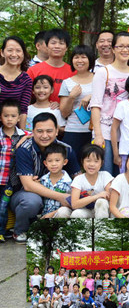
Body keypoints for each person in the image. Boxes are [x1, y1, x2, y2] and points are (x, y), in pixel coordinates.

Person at [11, 113, 79, 242]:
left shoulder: (66, 150)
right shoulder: (25, 149)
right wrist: (62, 197)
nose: (44, 135)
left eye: (49, 131)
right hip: (26, 195)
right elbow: (28, 185)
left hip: (57, 193)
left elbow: (78, 178)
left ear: (57, 131)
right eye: (40, 131)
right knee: (31, 201)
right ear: (32, 131)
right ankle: (21, 231)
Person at [89, 31, 129, 175]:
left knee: (124, 176)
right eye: (120, 46)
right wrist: (98, 135)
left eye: (128, 46)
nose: (125, 50)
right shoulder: (103, 72)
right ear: (113, 49)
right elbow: (95, 105)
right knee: (105, 173)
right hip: (105, 131)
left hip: (127, 134)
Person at [59, 45, 95, 153]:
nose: (79, 61)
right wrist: (71, 97)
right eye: (76, 57)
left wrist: (91, 96)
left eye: (83, 57)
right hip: (73, 130)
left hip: (95, 130)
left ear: (90, 59)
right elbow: (64, 113)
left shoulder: (99, 78)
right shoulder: (67, 82)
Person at [0, 100, 26, 242]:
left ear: (19, 118)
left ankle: (1, 231)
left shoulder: (22, 134)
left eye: (13, 116)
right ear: (0, 117)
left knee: (3, 206)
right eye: (6, 116)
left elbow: (35, 135)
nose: (9, 119)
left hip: (10, 180)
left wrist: (24, 138)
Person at [27, 29, 75, 103]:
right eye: (53, 43)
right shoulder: (33, 70)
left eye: (61, 43)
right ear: (47, 46)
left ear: (66, 48)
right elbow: (26, 98)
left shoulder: (73, 72)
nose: (57, 46)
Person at [69, 144, 113, 218]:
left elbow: (110, 197)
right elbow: (74, 204)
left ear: (101, 163)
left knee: (101, 201)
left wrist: (98, 198)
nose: (92, 164)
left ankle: (101, 225)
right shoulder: (78, 179)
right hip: (86, 211)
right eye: (88, 161)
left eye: (96, 161)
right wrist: (96, 196)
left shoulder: (105, 175)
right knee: (76, 214)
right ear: (82, 161)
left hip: (104, 211)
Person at [0, 36, 33, 127]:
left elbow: (23, 110)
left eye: (18, 51)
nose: (14, 54)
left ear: (23, 53)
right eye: (10, 50)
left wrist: (21, 132)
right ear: (2, 52)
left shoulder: (26, 80)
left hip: (12, 129)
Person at [38, 143, 72, 219]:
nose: (53, 164)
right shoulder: (43, 180)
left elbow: (70, 204)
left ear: (65, 162)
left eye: (57, 160)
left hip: (60, 216)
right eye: (50, 161)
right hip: (43, 217)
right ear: (45, 163)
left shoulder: (69, 183)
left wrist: (52, 214)